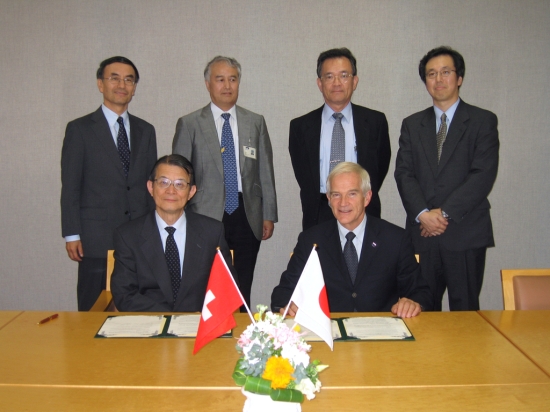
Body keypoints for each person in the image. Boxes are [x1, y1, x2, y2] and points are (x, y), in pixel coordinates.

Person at [394, 46, 499, 311]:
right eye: (431, 74)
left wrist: (444, 213)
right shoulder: (412, 124)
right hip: (422, 233)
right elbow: (404, 173)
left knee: (465, 313)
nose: (438, 79)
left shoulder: (482, 121)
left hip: (465, 233)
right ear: (425, 81)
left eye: (445, 72)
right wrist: (423, 214)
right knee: (420, 310)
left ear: (459, 77)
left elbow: (482, 175)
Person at [172, 56, 277, 308]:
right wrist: (179, 216)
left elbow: (265, 170)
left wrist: (269, 214)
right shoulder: (190, 124)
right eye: (220, 79)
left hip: (246, 214)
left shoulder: (255, 121)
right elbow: (178, 175)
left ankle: (242, 337)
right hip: (204, 215)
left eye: (233, 79)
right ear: (208, 84)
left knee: (242, 284)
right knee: (207, 285)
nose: (227, 85)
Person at [271, 162, 432, 318]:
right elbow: (283, 293)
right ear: (328, 198)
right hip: (328, 333)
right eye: (336, 195)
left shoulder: (395, 239)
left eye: (352, 194)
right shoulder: (311, 240)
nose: (343, 203)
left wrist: (413, 302)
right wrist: (289, 304)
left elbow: (421, 292)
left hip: (380, 335)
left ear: (367, 197)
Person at [61, 56, 157, 311]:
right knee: (92, 310)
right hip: (95, 237)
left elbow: (151, 185)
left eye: (129, 80)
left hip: (139, 235)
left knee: (137, 308)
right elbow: (70, 186)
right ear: (100, 84)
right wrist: (72, 233)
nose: (122, 84)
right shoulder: (79, 129)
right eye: (114, 78)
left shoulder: (146, 130)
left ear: (134, 88)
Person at [111, 155, 236, 312]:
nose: (171, 191)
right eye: (163, 183)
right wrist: (169, 318)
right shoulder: (128, 235)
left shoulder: (212, 232)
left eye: (180, 184)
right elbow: (124, 295)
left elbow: (227, 289)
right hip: (148, 325)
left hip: (197, 326)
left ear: (191, 192)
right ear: (150, 187)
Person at [289, 47, 391, 231]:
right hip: (319, 212)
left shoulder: (375, 122)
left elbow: (379, 168)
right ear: (320, 83)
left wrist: (356, 195)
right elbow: (303, 175)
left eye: (344, 75)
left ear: (355, 81)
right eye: (329, 77)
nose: (337, 83)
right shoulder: (301, 127)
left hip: (363, 209)